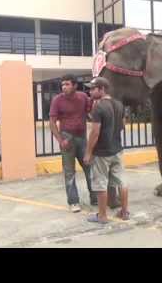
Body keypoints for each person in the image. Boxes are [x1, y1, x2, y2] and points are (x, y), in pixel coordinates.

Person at [83, 77, 129, 224]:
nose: (90, 91)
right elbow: (123, 125)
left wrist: (88, 152)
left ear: (102, 89)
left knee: (100, 183)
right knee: (121, 181)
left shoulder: (99, 107)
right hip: (117, 150)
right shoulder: (119, 105)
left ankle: (102, 216)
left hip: (102, 152)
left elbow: (95, 132)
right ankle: (124, 211)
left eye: (92, 88)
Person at [49, 74, 97, 212]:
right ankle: (73, 202)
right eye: (63, 84)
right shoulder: (57, 100)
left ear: (75, 85)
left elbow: (90, 111)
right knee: (69, 172)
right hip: (67, 138)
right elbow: (52, 122)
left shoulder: (82, 97)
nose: (64, 87)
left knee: (89, 167)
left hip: (82, 138)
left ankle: (94, 197)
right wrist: (60, 140)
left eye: (67, 84)